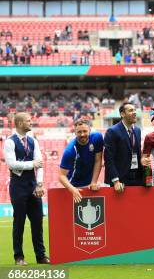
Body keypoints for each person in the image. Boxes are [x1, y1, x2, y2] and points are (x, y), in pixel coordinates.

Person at [2, 112, 49, 265]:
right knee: (19, 222)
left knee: (37, 222)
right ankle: (19, 257)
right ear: (20, 123)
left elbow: (40, 163)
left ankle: (41, 256)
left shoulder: (33, 141)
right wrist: (31, 164)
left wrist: (40, 183)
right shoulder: (9, 142)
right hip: (18, 185)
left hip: (33, 184)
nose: (31, 123)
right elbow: (11, 164)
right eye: (29, 121)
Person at [58, 118, 104, 203]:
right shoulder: (70, 150)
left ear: (89, 130)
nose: (82, 134)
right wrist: (72, 189)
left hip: (89, 184)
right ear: (75, 132)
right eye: (79, 132)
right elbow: (61, 176)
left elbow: (98, 160)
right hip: (74, 186)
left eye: (85, 131)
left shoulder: (97, 137)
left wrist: (94, 182)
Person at [104, 102, 144, 192]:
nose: (134, 112)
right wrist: (115, 180)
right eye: (130, 110)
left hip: (137, 178)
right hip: (120, 180)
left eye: (134, 110)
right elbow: (109, 158)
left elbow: (137, 153)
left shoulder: (137, 130)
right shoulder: (112, 131)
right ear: (122, 114)